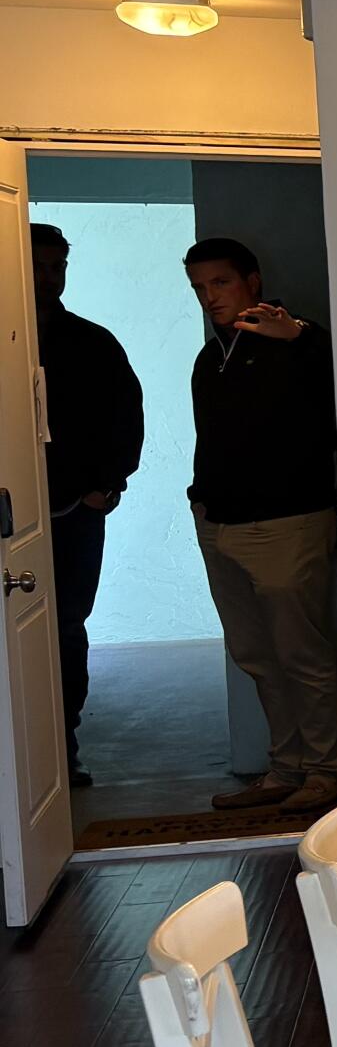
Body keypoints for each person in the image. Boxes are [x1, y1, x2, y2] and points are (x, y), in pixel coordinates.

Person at [185, 236, 337, 808]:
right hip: (221, 525)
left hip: (290, 522)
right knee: (255, 655)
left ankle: (327, 773)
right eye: (200, 288)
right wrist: (200, 499)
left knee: (302, 653)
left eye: (220, 283)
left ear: (252, 281)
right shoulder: (212, 359)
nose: (210, 297)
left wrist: (301, 335)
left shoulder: (296, 341)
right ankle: (287, 769)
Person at [32, 223, 144, 786]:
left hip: (75, 511)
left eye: (57, 267)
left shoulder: (92, 342)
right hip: (17, 518)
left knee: (66, 628)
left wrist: (108, 486)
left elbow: (125, 415)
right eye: (38, 265)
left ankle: (62, 747)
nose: (48, 277)